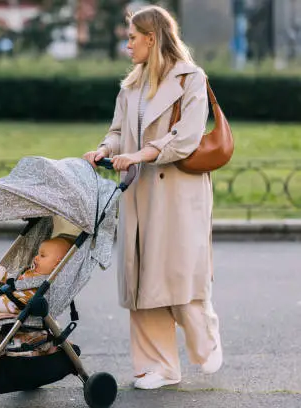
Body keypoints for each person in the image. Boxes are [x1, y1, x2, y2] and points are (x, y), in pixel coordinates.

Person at [82, 5, 222, 390]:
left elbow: (187, 137)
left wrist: (140, 154)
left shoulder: (190, 79)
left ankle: (203, 331)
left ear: (152, 37)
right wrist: (103, 149)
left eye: (132, 37)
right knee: (143, 282)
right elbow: (115, 132)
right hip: (138, 191)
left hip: (177, 193)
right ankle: (158, 367)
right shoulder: (131, 86)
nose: (126, 44)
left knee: (178, 274)